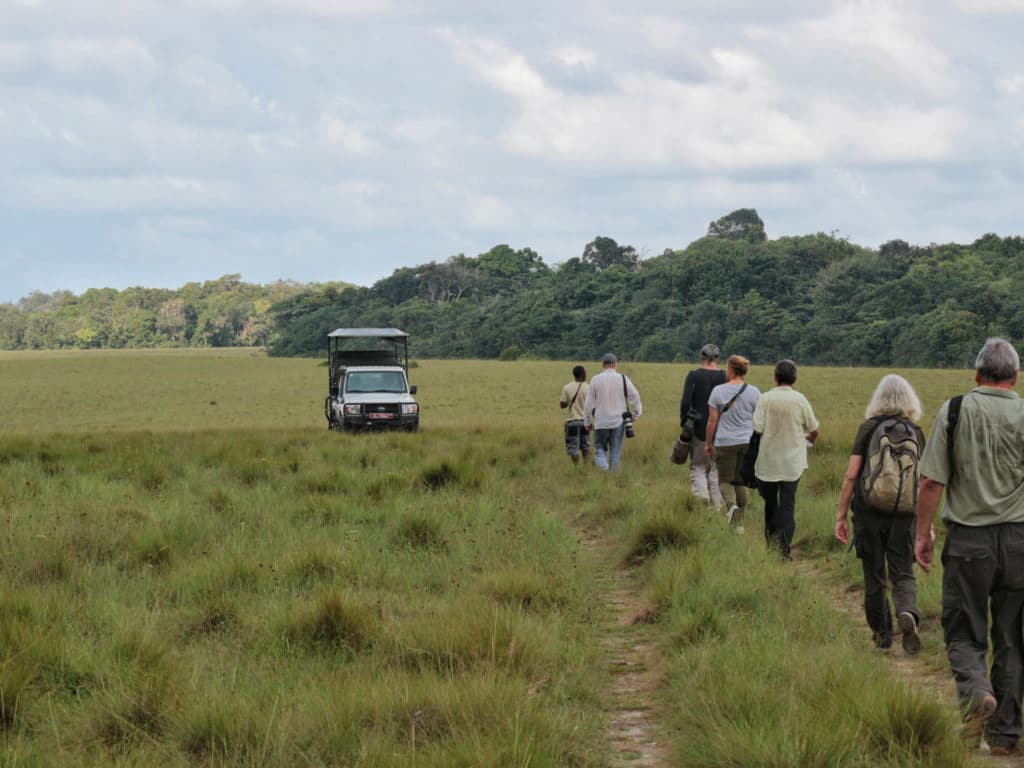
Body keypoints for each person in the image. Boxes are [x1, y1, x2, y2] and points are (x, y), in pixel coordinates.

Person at [915, 338, 1024, 755]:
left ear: (977, 374)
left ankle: (977, 693)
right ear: (1014, 377)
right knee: (1012, 637)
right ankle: (1004, 736)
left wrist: (922, 534)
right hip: (1018, 539)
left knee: (963, 631)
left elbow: (931, 482)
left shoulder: (955, 409)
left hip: (968, 540)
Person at [835, 374, 926, 653]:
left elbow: (852, 476)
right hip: (905, 514)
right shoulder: (916, 431)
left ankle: (883, 637)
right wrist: (926, 524)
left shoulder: (869, 428)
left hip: (869, 511)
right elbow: (922, 481)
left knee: (873, 575)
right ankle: (907, 611)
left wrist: (840, 515)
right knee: (903, 572)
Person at [752, 359, 819, 560]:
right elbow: (814, 430)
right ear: (794, 378)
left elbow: (757, 428)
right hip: (793, 464)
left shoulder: (765, 399)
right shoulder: (800, 399)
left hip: (768, 462)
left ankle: (772, 547)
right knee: (788, 504)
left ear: (775, 377)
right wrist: (809, 440)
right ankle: (784, 548)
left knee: (771, 505)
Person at [705, 355, 760, 534]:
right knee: (740, 481)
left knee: (724, 481)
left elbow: (712, 421)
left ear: (731, 370)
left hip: (724, 442)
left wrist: (708, 443)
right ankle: (740, 525)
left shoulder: (718, 391)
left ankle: (731, 507)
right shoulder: (754, 392)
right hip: (746, 441)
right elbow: (758, 419)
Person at [680, 344, 727, 507]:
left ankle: (702, 497)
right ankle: (717, 505)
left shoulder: (693, 376)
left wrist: (684, 423)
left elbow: (686, 402)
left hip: (699, 429)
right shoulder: (725, 376)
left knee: (698, 466)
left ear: (702, 358)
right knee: (715, 470)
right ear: (717, 359)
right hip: (722, 431)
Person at [582, 353, 642, 472]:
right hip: (618, 422)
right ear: (615, 364)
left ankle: (603, 468)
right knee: (615, 453)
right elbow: (635, 396)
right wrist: (636, 414)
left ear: (603, 365)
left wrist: (587, 421)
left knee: (599, 449)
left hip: (600, 421)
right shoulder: (623, 378)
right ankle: (612, 478)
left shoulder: (595, 379)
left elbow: (588, 403)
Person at [560, 365, 590, 465]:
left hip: (572, 422)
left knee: (574, 447)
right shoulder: (588, 387)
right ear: (582, 374)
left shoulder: (567, 387)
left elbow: (562, 405)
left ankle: (576, 468)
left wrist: (570, 401)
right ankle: (586, 467)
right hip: (585, 422)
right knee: (585, 446)